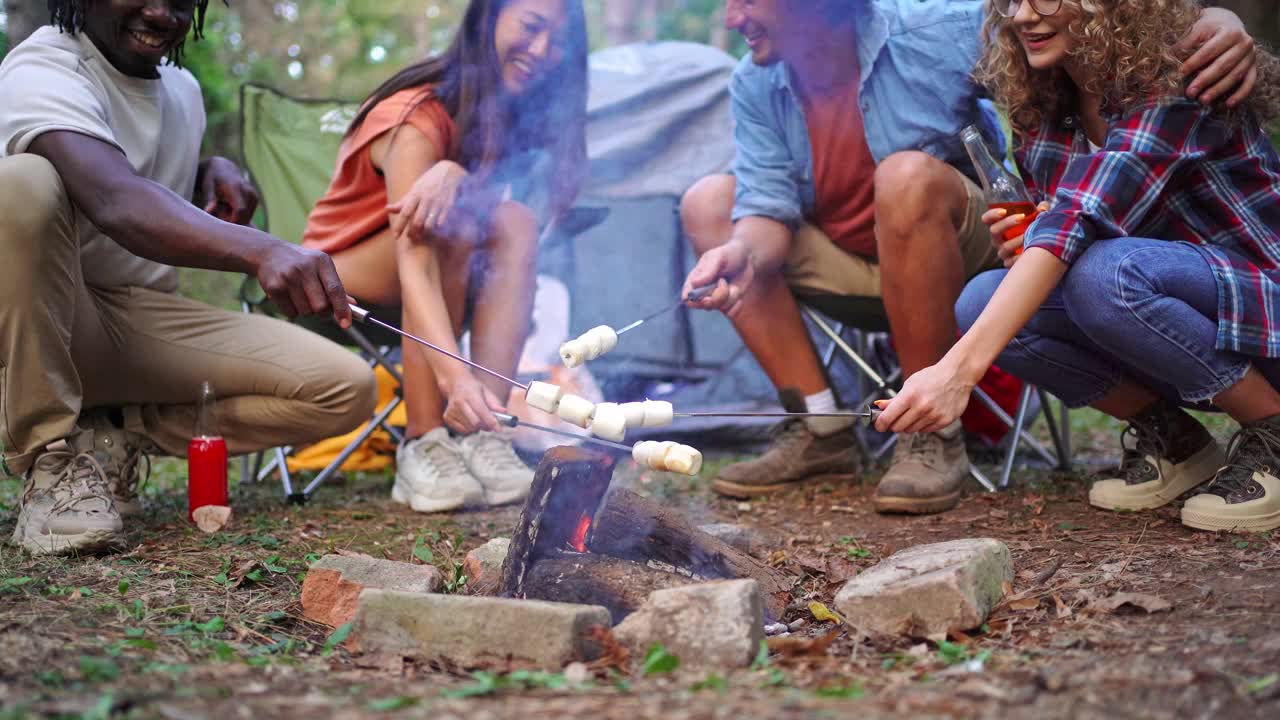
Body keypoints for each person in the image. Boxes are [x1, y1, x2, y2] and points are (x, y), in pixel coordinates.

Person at [678, 0, 1259, 513]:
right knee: (710, 203)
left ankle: (929, 433)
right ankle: (822, 425)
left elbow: (1080, 206)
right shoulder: (754, 82)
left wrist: (1214, 21)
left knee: (922, 184)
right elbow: (766, 207)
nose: (732, 17)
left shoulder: (945, 31)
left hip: (962, 242)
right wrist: (740, 254)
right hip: (855, 261)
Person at [881, 0, 1280, 533]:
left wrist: (956, 373)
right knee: (982, 299)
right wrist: (1030, 240)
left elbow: (1080, 220)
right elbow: (1065, 229)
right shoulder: (1044, 103)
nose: (1023, 15)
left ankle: (1272, 432)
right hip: (1170, 301)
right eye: (1010, 1)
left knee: (1104, 275)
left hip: (1261, 301)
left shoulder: (1181, 74)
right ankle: (1178, 444)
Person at [0, 1, 379, 556]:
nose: (161, 13)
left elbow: (133, 160)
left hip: (140, 319)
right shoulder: (41, 67)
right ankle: (49, 461)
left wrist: (207, 169)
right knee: (24, 182)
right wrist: (263, 250)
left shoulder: (182, 89)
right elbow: (115, 198)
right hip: (52, 316)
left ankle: (112, 435)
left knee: (345, 388)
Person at [302, 0, 588, 513]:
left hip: (427, 265)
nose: (543, 50)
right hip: (331, 274)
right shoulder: (416, 117)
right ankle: (424, 441)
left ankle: (485, 429)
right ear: (488, 18)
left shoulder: (497, 117)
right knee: (455, 224)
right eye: (531, 26)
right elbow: (416, 261)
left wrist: (458, 176)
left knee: (514, 222)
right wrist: (456, 378)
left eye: (560, 42)